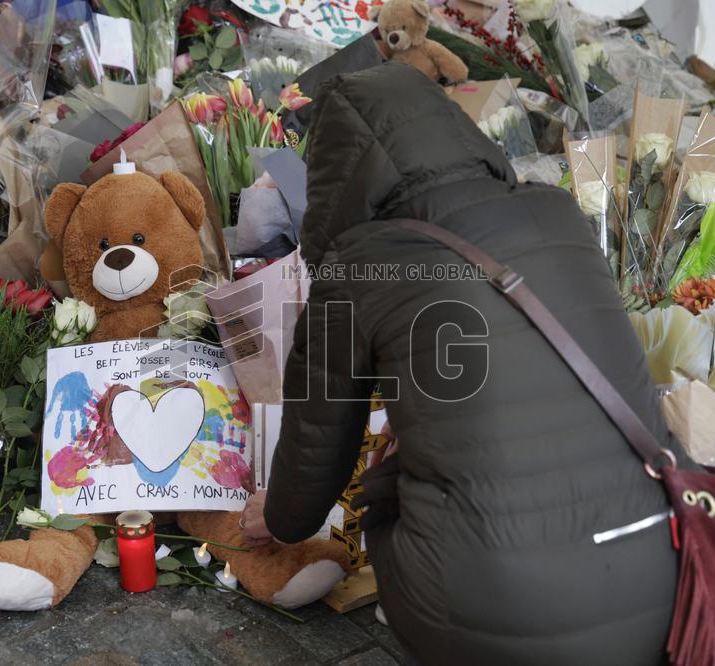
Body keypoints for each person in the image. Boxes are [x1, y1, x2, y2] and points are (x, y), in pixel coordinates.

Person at [240, 62, 682, 665]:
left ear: (336, 179)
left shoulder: (362, 259)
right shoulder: (559, 214)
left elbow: (320, 444)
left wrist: (282, 518)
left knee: (386, 486)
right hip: (659, 579)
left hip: (495, 610)